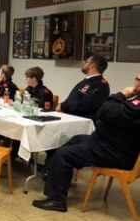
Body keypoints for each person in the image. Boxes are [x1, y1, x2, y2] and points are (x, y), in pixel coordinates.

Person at [33, 74, 140, 212]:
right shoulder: (136, 101)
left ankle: (57, 200)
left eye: (138, 80)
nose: (135, 83)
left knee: (63, 155)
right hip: (112, 144)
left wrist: (121, 95)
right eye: (136, 79)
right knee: (76, 138)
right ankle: (51, 173)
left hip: (114, 151)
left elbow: (104, 111)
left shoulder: (136, 106)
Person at [56, 55, 110, 121]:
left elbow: (85, 105)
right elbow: (73, 98)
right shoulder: (88, 81)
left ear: (92, 65)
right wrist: (63, 106)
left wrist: (63, 106)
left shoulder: (100, 85)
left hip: (83, 121)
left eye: (86, 62)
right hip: (72, 117)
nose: (84, 64)